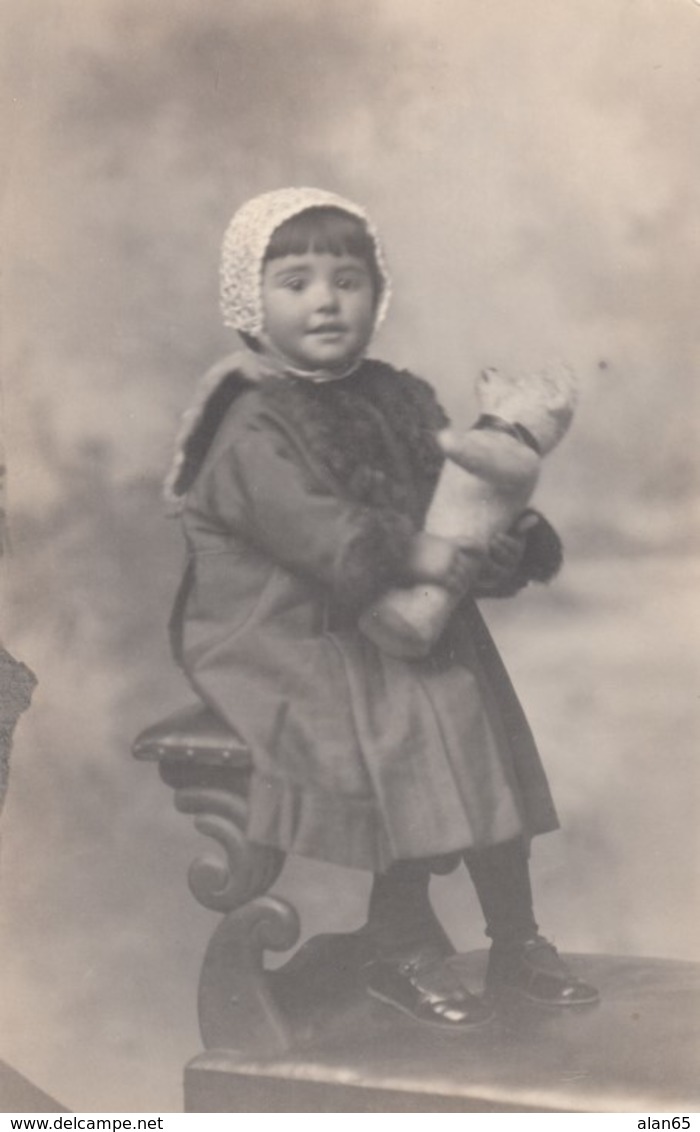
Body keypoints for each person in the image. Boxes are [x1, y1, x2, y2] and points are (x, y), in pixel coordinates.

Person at [165, 186, 598, 1028]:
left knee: (469, 686)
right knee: (419, 707)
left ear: (377, 294)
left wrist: (498, 545)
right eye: (295, 281)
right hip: (282, 622)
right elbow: (320, 534)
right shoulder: (251, 423)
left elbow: (449, 503)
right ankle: (400, 940)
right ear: (251, 305)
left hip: (378, 605)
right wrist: (442, 553)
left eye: (348, 279)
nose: (326, 300)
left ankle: (516, 935)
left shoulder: (398, 398)